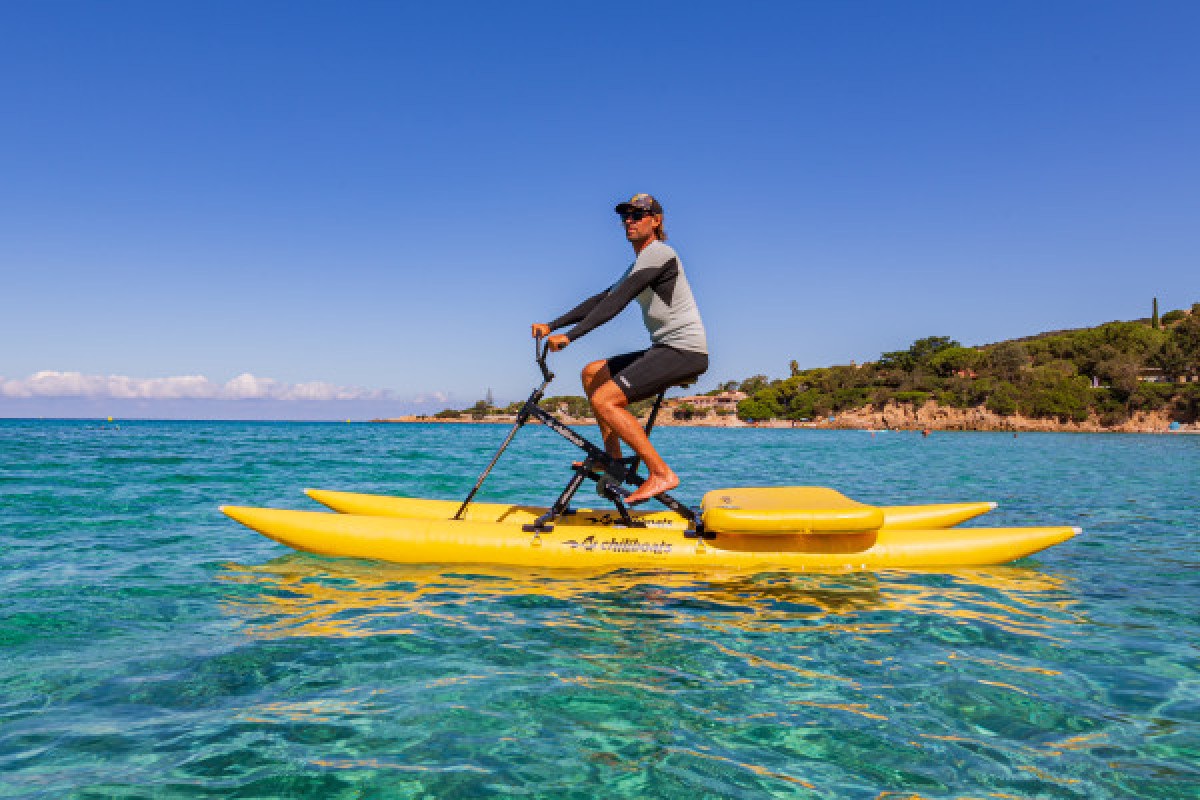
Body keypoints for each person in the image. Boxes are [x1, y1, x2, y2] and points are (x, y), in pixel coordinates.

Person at [530, 193, 708, 504]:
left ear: (656, 221)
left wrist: (571, 337)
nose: (628, 221)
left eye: (637, 215)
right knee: (592, 373)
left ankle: (661, 473)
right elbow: (601, 299)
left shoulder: (660, 253)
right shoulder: (640, 263)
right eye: (625, 216)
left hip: (684, 350)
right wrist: (552, 325)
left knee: (605, 400)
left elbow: (616, 303)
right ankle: (612, 459)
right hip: (664, 347)